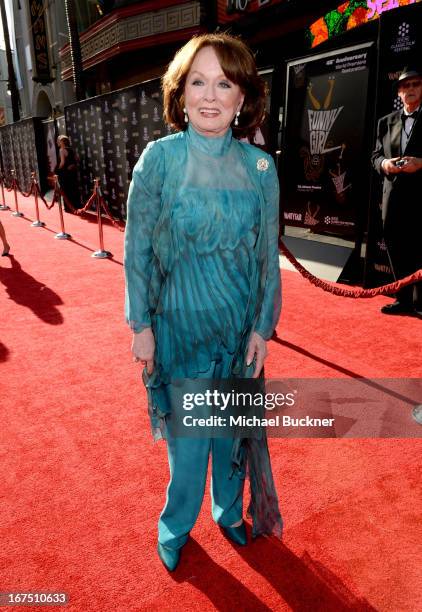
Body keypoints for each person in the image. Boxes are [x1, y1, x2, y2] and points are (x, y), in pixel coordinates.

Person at [124, 33, 282, 572]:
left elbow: (267, 260)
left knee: (232, 435)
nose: (210, 96)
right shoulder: (159, 160)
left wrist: (264, 326)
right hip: (181, 329)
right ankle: (176, 523)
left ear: (243, 99)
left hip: (238, 331)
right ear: (181, 91)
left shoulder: (261, 169)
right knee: (189, 448)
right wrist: (139, 324)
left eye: (224, 83)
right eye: (198, 81)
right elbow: (137, 249)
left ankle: (228, 512)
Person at [371, 68, 422, 316]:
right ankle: (403, 299)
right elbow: (375, 156)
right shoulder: (385, 122)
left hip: (421, 196)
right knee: (396, 246)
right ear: (399, 92)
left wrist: (421, 163)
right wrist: (385, 164)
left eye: (415, 84)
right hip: (392, 196)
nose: (410, 89)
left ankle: (421, 302)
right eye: (405, 86)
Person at [55, 135, 81, 211]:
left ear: (62, 142)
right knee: (73, 188)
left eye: (58, 140)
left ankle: (68, 208)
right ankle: (75, 205)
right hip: (72, 172)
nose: (57, 142)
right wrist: (72, 164)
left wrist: (57, 170)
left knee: (66, 189)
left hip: (65, 173)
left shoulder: (61, 150)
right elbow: (77, 159)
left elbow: (62, 162)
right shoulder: (71, 149)